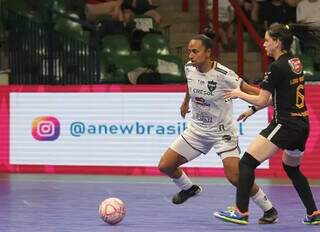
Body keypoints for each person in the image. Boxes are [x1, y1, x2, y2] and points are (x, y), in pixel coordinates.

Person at [158, 32, 278, 224]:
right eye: (189, 51)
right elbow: (191, 86)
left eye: (195, 51)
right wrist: (185, 102)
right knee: (165, 165)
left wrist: (272, 100)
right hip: (197, 130)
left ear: (208, 53)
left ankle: (269, 209)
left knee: (235, 176)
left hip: (222, 132)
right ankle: (189, 189)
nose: (190, 55)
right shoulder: (189, 68)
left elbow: (248, 89)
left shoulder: (224, 75)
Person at [214, 23, 320, 225]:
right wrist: (252, 110)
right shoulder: (294, 62)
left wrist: (238, 93)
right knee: (292, 169)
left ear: (277, 42)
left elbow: (263, 99)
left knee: (246, 163)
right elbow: (276, 98)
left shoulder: (276, 67)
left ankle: (241, 212)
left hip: (285, 125)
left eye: (267, 40)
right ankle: (314, 213)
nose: (264, 44)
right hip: (302, 126)